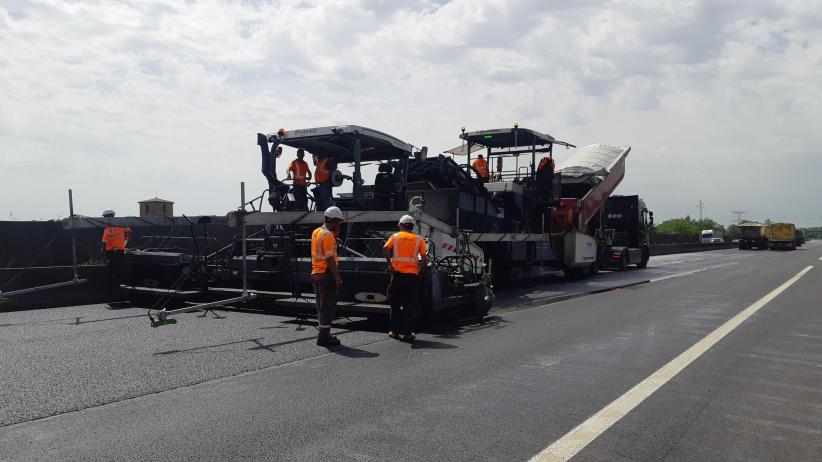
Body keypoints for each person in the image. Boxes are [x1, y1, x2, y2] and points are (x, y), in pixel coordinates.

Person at [383, 214, 428, 342]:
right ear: (412, 227)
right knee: (409, 306)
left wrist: (390, 265)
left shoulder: (395, 237)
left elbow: (385, 248)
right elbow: (424, 259)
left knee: (395, 305)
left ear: (401, 226)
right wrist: (420, 272)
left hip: (397, 276)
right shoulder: (419, 239)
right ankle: (408, 333)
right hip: (411, 277)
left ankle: (394, 332)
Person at [311, 206, 345, 347]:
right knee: (328, 306)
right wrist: (337, 277)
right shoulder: (328, 235)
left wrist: (334, 234)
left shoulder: (317, 232)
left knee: (321, 305)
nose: (339, 225)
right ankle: (324, 338)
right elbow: (330, 258)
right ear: (333, 220)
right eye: (338, 222)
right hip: (327, 274)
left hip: (317, 273)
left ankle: (324, 333)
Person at [100, 209, 132, 288]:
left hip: (110, 252)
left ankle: (109, 286)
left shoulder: (108, 228)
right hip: (120, 251)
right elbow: (129, 231)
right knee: (119, 268)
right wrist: (128, 239)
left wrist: (104, 253)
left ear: (108, 217)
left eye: (104, 217)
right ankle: (117, 285)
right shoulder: (121, 225)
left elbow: (104, 242)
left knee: (110, 269)